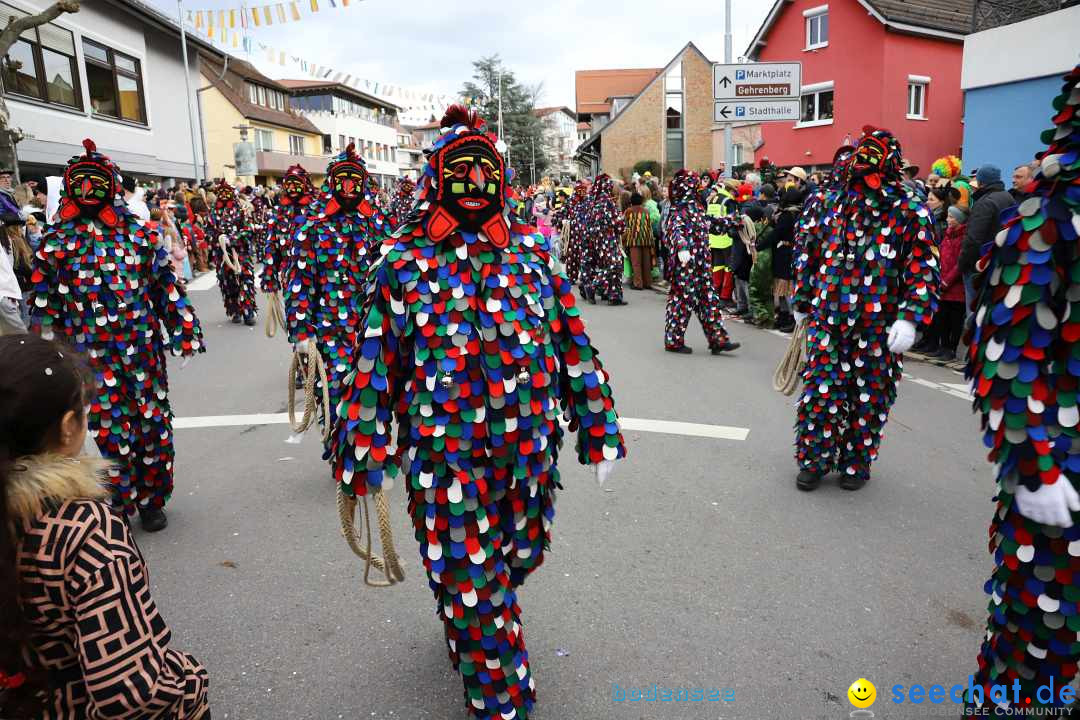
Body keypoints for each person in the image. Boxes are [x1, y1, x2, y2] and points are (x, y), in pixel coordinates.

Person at [329, 106, 625, 720]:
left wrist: (599, 429)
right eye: (458, 171)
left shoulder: (534, 255)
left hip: (528, 456)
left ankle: (469, 617)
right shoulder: (401, 263)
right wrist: (362, 450)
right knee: (473, 581)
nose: (472, 181)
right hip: (445, 458)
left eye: (482, 169)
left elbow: (571, 341)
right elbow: (373, 364)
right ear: (437, 180)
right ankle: (499, 695)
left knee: (520, 556)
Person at [0, 334, 209, 719]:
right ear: (68, 426)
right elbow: (129, 691)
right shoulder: (83, 532)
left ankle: (150, 502)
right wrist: (190, 680)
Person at [963, 65, 1080, 713]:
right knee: (1040, 624)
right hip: (1061, 459)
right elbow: (1003, 352)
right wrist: (1035, 465)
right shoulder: (1045, 217)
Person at [28, 139, 205, 531]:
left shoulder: (139, 235)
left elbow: (164, 286)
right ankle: (117, 504)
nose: (89, 190)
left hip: (143, 353)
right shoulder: (55, 243)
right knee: (109, 432)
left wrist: (183, 329)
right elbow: (44, 305)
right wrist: (42, 354)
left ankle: (152, 499)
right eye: (82, 182)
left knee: (152, 426)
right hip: (89, 360)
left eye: (96, 181)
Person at [791, 127, 939, 491]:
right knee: (821, 393)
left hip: (878, 326)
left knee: (869, 398)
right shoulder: (829, 202)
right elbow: (808, 252)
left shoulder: (909, 208)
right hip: (828, 319)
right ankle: (813, 458)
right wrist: (803, 299)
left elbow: (922, 266)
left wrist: (910, 316)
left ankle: (855, 463)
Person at [284, 143, 390, 449]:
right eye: (342, 179)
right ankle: (340, 450)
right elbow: (299, 284)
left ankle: (367, 450)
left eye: (354, 179)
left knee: (373, 393)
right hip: (329, 332)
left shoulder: (378, 223)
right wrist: (302, 331)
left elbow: (396, 273)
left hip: (373, 327)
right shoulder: (311, 226)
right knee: (335, 393)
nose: (348, 186)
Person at [663, 169, 740, 355]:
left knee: (709, 301)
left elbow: (710, 223)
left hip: (703, 265)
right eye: (695, 183)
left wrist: (733, 220)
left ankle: (718, 340)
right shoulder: (678, 211)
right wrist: (681, 247)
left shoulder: (697, 208)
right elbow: (674, 230)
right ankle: (673, 340)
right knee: (682, 302)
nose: (699, 186)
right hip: (685, 267)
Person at [958, 164, 1014, 314]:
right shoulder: (1008, 197)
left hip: (978, 265)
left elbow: (974, 238)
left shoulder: (984, 202)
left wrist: (963, 263)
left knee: (974, 311)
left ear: (981, 182)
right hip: (1000, 262)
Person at [260, 164, 314, 312]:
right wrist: (270, 278)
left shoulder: (316, 211)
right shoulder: (279, 213)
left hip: (316, 276)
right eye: (288, 184)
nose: (291, 188)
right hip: (289, 276)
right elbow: (271, 247)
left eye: (295, 184)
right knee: (296, 320)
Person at [207, 179, 258, 326]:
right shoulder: (213, 211)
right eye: (221, 192)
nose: (223, 195)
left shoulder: (240, 209)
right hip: (223, 254)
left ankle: (248, 311)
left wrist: (234, 238)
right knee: (228, 283)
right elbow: (209, 230)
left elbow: (248, 228)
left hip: (241, 251)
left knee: (246, 280)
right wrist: (219, 238)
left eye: (226, 192)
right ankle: (235, 310)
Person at [923, 205, 967, 361]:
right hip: (942, 284)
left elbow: (959, 264)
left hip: (955, 286)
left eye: (952, 217)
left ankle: (951, 348)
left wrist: (947, 280)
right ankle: (943, 347)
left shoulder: (963, 237)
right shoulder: (948, 235)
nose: (948, 220)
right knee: (942, 318)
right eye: (948, 216)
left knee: (954, 320)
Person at [579, 174, 626, 305]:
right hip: (608, 238)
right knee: (615, 265)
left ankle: (614, 296)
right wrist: (622, 224)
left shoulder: (594, 200)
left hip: (597, 240)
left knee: (611, 266)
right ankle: (592, 286)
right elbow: (616, 222)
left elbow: (589, 222)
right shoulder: (606, 201)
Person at [622, 191, 653, 290]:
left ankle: (638, 283)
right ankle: (647, 282)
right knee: (646, 262)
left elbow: (625, 225)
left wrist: (624, 238)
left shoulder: (628, 211)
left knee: (636, 263)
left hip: (634, 239)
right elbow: (649, 225)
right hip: (646, 238)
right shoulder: (646, 211)